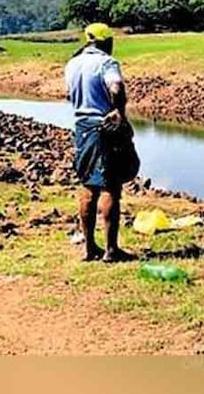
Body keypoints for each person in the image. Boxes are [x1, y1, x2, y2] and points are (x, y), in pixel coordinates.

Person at [64, 23, 138, 263]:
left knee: (87, 185)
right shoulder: (106, 62)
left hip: (82, 128)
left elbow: (69, 95)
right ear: (105, 42)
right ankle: (111, 250)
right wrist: (119, 112)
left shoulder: (72, 63)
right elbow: (116, 87)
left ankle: (89, 248)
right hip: (104, 128)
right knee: (110, 187)